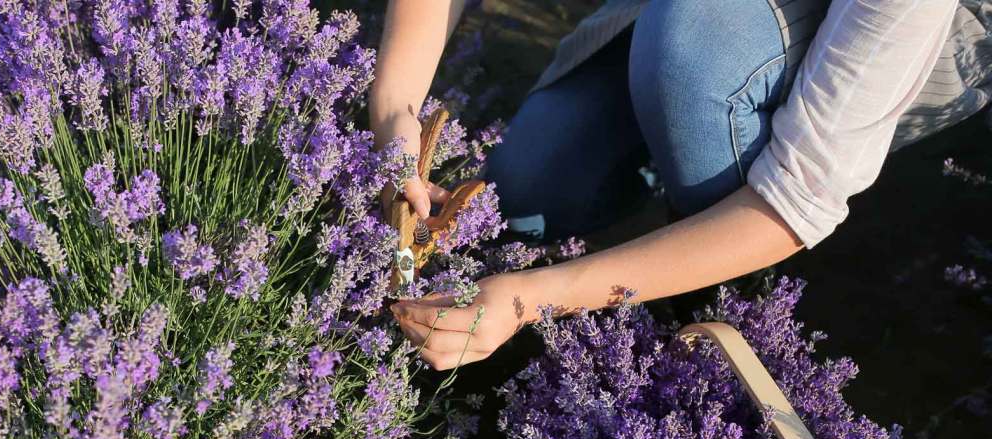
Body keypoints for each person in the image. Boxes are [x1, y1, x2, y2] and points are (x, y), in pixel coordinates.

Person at [372, 0, 992, 370]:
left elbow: (799, 195)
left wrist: (527, 300)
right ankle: (679, 140)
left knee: (691, 49)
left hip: (915, 38)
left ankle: (719, 296)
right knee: (528, 188)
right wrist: (395, 118)